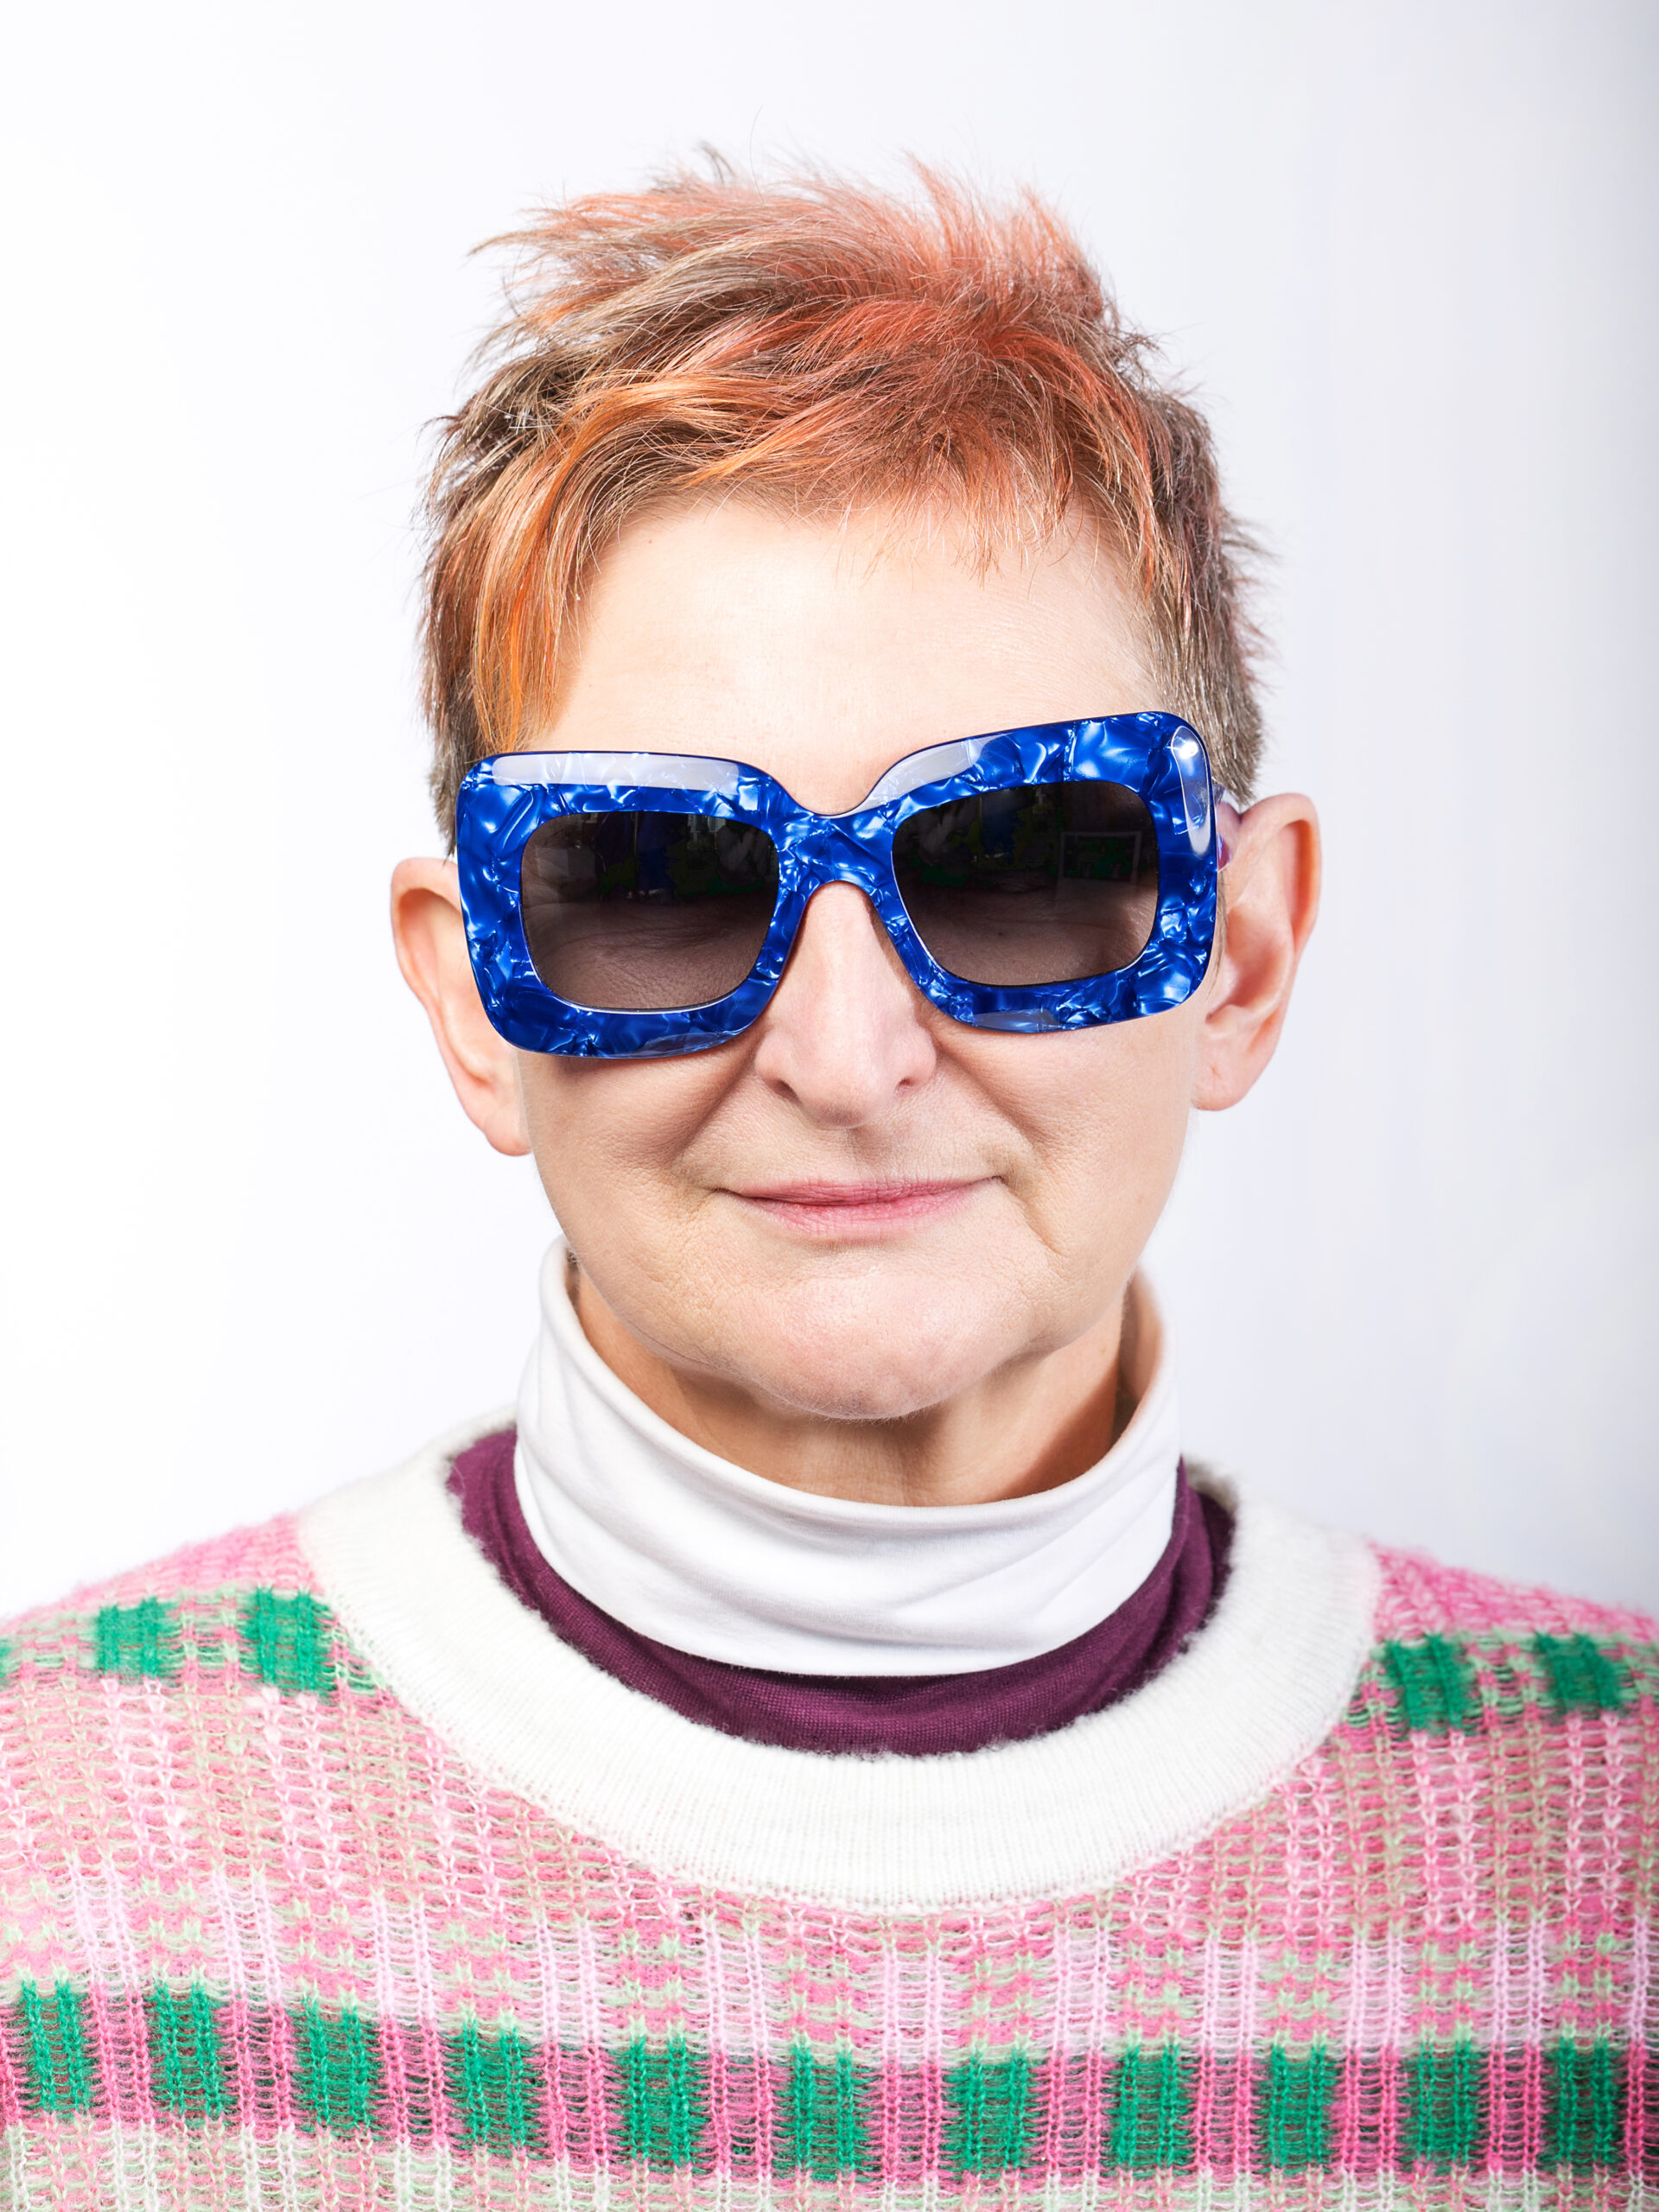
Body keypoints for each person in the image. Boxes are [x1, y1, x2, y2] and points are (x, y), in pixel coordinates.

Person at [2, 165, 1653, 2208]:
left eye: (1025, 855)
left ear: (1241, 954)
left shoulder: (1616, 1847)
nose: (846, 1055)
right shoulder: (48, 1845)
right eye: (658, 881)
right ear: (468, 995)